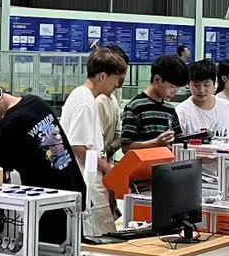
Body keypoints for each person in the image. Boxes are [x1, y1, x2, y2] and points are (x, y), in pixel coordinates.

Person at [0, 81, 86, 243]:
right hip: (74, 191)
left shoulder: (6, 128)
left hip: (47, 207)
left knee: (48, 254)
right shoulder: (36, 102)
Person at [61, 46, 129, 234]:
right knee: (102, 238)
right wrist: (107, 168)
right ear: (102, 76)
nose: (117, 84)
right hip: (88, 183)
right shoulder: (85, 102)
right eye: (116, 78)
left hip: (92, 180)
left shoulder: (84, 96)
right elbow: (77, 146)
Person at [121, 54, 188, 151]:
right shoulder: (135, 106)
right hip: (144, 160)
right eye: (171, 87)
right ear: (157, 80)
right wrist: (156, 143)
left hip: (166, 160)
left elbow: (178, 140)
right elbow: (126, 147)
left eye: (177, 89)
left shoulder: (170, 109)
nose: (174, 93)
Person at [176, 59, 229, 141]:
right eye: (196, 85)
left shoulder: (227, 107)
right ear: (188, 85)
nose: (201, 90)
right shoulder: (181, 112)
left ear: (214, 84)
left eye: (206, 85)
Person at [97, 43, 130, 160]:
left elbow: (119, 136)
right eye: (119, 71)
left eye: (124, 70)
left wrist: (108, 150)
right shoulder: (97, 101)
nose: (123, 76)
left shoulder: (113, 99)